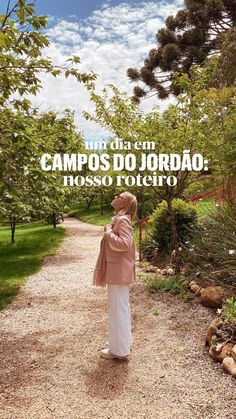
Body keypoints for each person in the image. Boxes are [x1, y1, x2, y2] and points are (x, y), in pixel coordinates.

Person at [93, 191, 137, 360]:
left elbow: (125, 244)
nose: (115, 197)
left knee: (117, 309)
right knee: (119, 308)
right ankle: (121, 346)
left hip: (118, 272)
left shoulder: (123, 220)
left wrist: (108, 232)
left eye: (119, 196)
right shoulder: (120, 219)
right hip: (117, 271)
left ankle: (119, 351)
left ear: (124, 203)